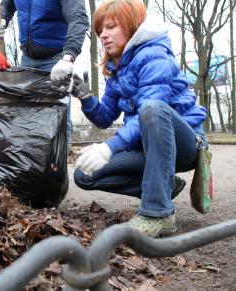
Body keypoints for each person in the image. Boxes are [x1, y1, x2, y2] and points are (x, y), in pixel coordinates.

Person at [69, 0, 207, 238]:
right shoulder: (117, 69)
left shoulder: (154, 55)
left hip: (185, 145)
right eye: (100, 30)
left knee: (152, 108)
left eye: (111, 27)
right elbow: (104, 118)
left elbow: (152, 109)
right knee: (84, 174)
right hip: (147, 147)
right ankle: (165, 186)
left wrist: (110, 147)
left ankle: (158, 213)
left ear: (131, 26)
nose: (103, 35)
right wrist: (86, 98)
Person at [0, 0, 90, 142]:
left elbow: (78, 18)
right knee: (26, 116)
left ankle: (58, 161)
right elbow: (8, 4)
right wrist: (1, 18)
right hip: (27, 57)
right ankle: (31, 160)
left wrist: (68, 56)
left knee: (57, 118)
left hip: (56, 60)